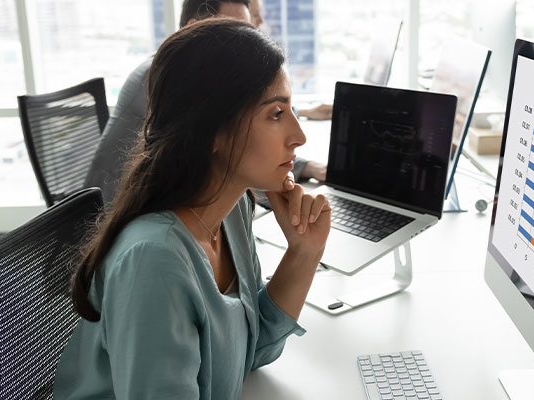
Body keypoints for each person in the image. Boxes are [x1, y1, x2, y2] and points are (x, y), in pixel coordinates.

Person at [54, 18, 329, 400]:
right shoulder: (154, 261)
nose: (299, 135)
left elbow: (253, 349)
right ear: (212, 131)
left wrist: (304, 251)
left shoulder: (230, 211)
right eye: (276, 114)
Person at [86, 0, 328, 203]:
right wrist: (298, 169)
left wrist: (301, 111)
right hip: (112, 215)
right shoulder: (162, 77)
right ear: (193, 31)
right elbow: (227, 147)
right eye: (232, 36)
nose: (245, 50)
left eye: (247, 35)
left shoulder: (188, 75)